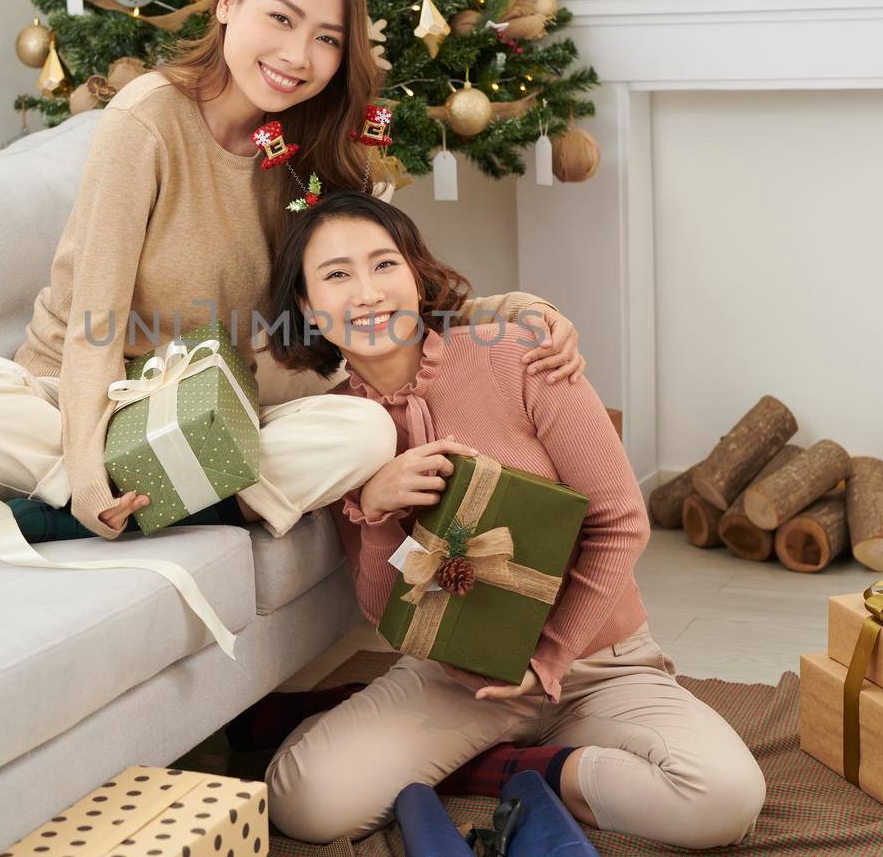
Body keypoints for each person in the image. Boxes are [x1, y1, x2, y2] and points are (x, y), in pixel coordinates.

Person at [0, 0, 586, 541]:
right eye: (281, 19)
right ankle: (140, 495)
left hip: (217, 411)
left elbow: (382, 286)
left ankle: (51, 518)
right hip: (84, 394)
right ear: (229, 1)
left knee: (364, 431)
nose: (298, 56)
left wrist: (513, 310)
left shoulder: (314, 149)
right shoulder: (148, 117)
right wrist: (83, 465)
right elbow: (93, 320)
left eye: (325, 39)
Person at [258, 191, 766, 849]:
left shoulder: (519, 355)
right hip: (453, 681)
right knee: (303, 801)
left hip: (596, 664)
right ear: (305, 308)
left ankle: (539, 769)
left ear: (415, 274)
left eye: (384, 264)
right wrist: (376, 506)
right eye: (336, 275)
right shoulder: (337, 429)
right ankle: (477, 752)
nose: (368, 291)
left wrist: (551, 656)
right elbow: (389, 608)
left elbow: (619, 521)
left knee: (726, 800)